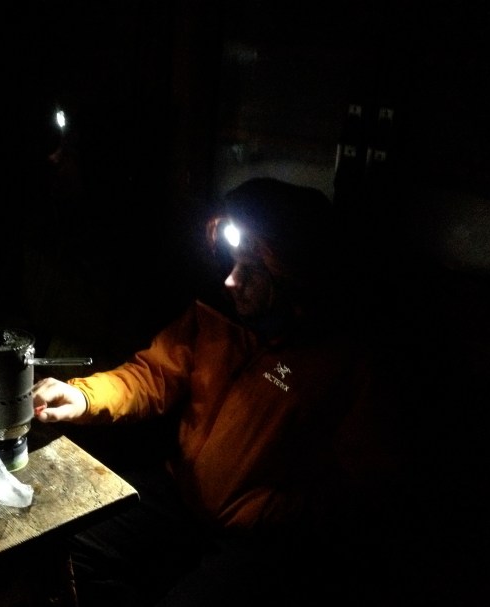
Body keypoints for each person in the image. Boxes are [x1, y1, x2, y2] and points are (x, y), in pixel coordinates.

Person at [32, 177, 399, 606]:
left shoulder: (342, 363)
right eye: (232, 263)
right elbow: (153, 375)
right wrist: (86, 397)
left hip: (257, 541)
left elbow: (361, 484)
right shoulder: (218, 320)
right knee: (71, 551)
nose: (229, 281)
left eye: (250, 270)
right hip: (180, 496)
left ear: (290, 282)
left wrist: (274, 515)